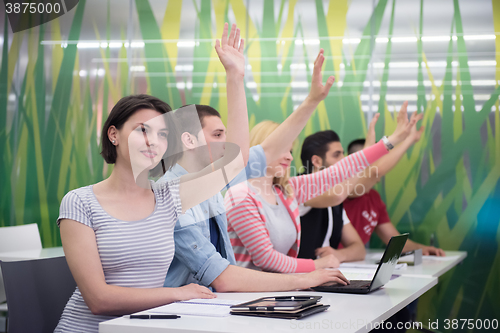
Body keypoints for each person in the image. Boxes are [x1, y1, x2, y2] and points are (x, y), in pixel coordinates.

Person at [55, 23, 251, 333]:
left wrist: (235, 77)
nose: (153, 141)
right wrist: (178, 294)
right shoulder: (80, 202)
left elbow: (237, 158)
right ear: (114, 134)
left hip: (143, 328)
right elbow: (98, 299)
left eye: (162, 134)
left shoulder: (169, 197)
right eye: (142, 129)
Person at [163, 48, 351, 292]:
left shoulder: (211, 184)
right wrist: (308, 276)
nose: (228, 143)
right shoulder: (172, 194)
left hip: (213, 304)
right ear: (189, 140)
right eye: (218, 135)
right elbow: (222, 277)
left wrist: (312, 100)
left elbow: (271, 148)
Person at [225, 103, 418, 273]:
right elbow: (266, 259)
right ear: (260, 149)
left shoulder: (287, 190)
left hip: (278, 289)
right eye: (283, 149)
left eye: (290, 151)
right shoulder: (241, 194)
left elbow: (344, 169)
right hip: (249, 297)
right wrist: (317, 266)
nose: (289, 157)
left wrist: (393, 139)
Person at [297, 130, 365, 263]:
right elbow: (338, 196)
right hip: (299, 278)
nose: (343, 160)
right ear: (316, 161)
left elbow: (359, 249)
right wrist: (367, 155)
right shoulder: (299, 187)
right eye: (336, 155)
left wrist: (339, 255)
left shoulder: (334, 197)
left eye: (342, 154)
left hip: (324, 276)